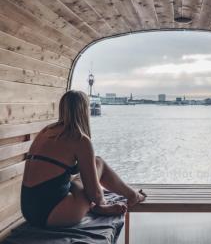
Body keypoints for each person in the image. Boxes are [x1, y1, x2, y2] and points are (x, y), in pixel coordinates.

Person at [21, 90, 146, 228]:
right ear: (84, 110)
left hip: (28, 210)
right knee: (99, 165)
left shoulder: (47, 131)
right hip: (50, 214)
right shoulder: (79, 139)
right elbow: (95, 194)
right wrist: (100, 200)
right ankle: (131, 196)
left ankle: (102, 205)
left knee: (86, 173)